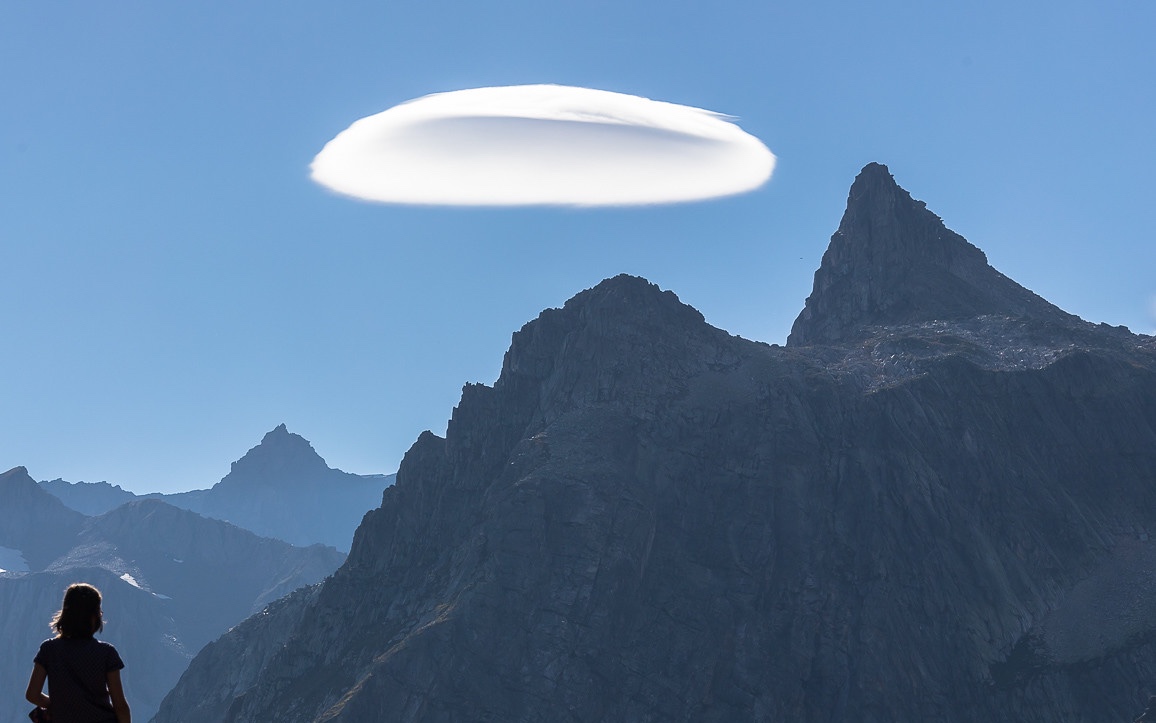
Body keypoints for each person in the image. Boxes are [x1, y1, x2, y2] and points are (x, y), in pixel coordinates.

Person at [25, 583, 131, 723]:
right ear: (94, 617)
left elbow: (32, 694)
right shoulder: (107, 653)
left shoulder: (49, 650)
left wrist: (59, 707)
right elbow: (120, 705)